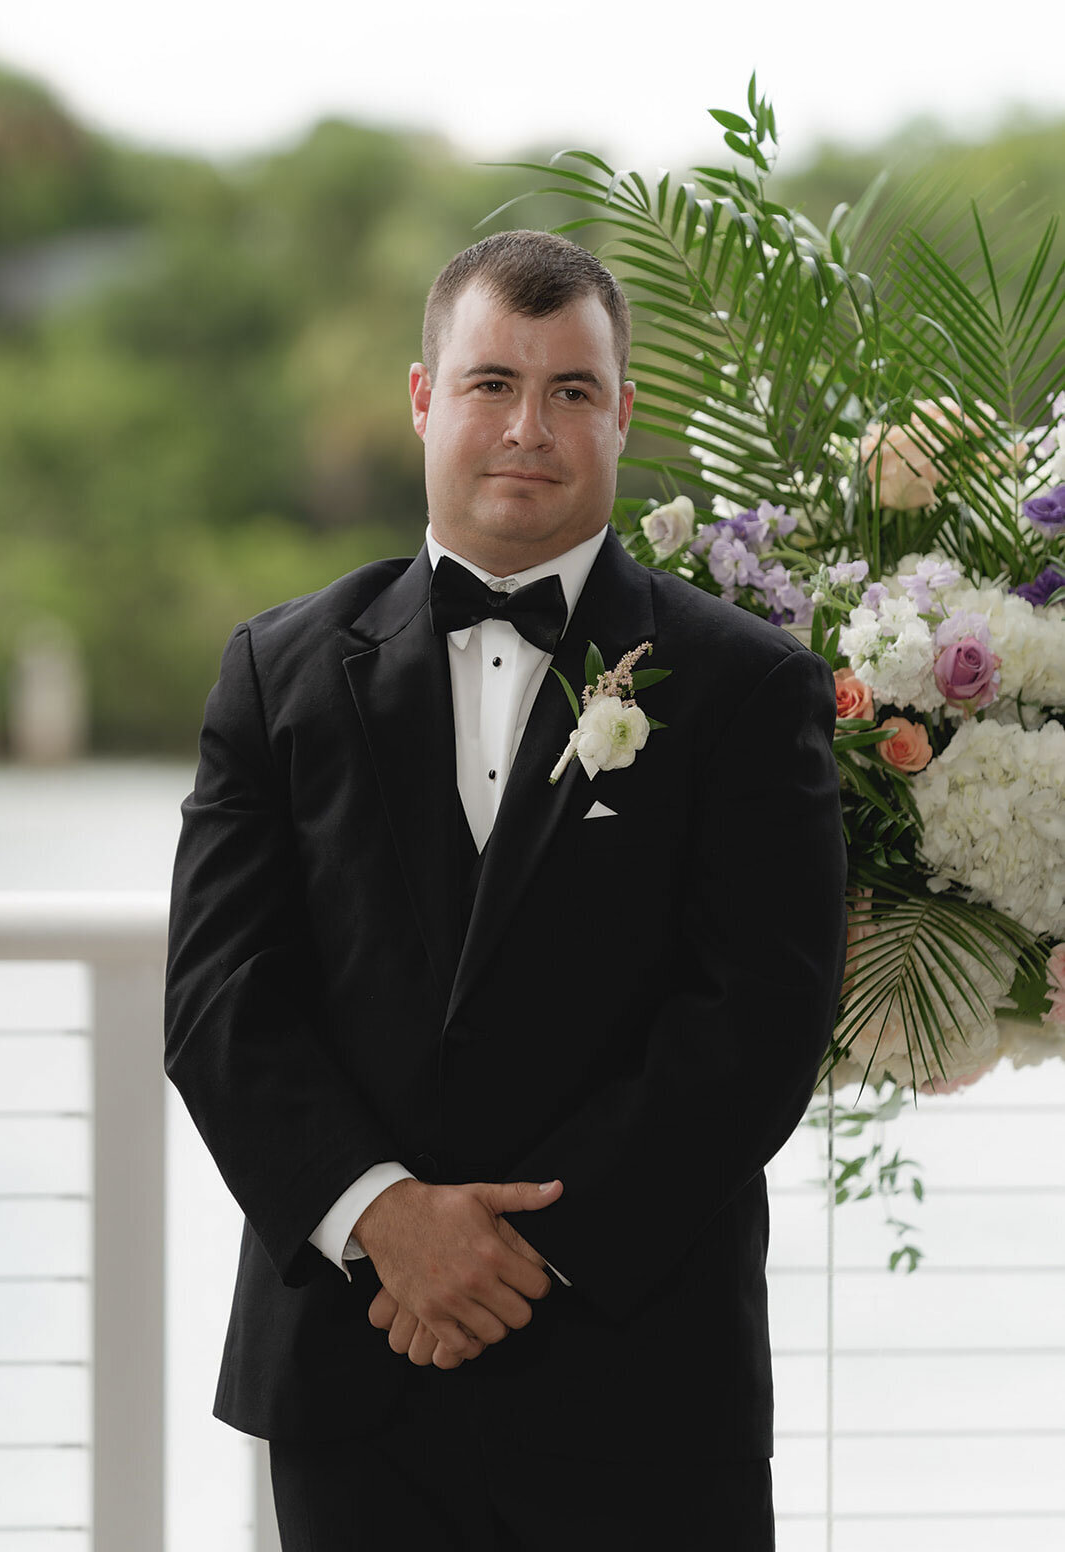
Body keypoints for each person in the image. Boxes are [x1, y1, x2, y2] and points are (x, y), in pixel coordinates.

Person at [164, 229, 848, 1550]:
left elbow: (759, 1018)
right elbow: (218, 1000)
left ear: (621, 413)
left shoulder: (750, 688)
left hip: (644, 1377)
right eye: (491, 383)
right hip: (357, 1365)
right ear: (425, 397)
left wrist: (514, 1255)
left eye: (571, 390)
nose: (528, 426)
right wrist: (385, 1220)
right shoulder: (275, 672)